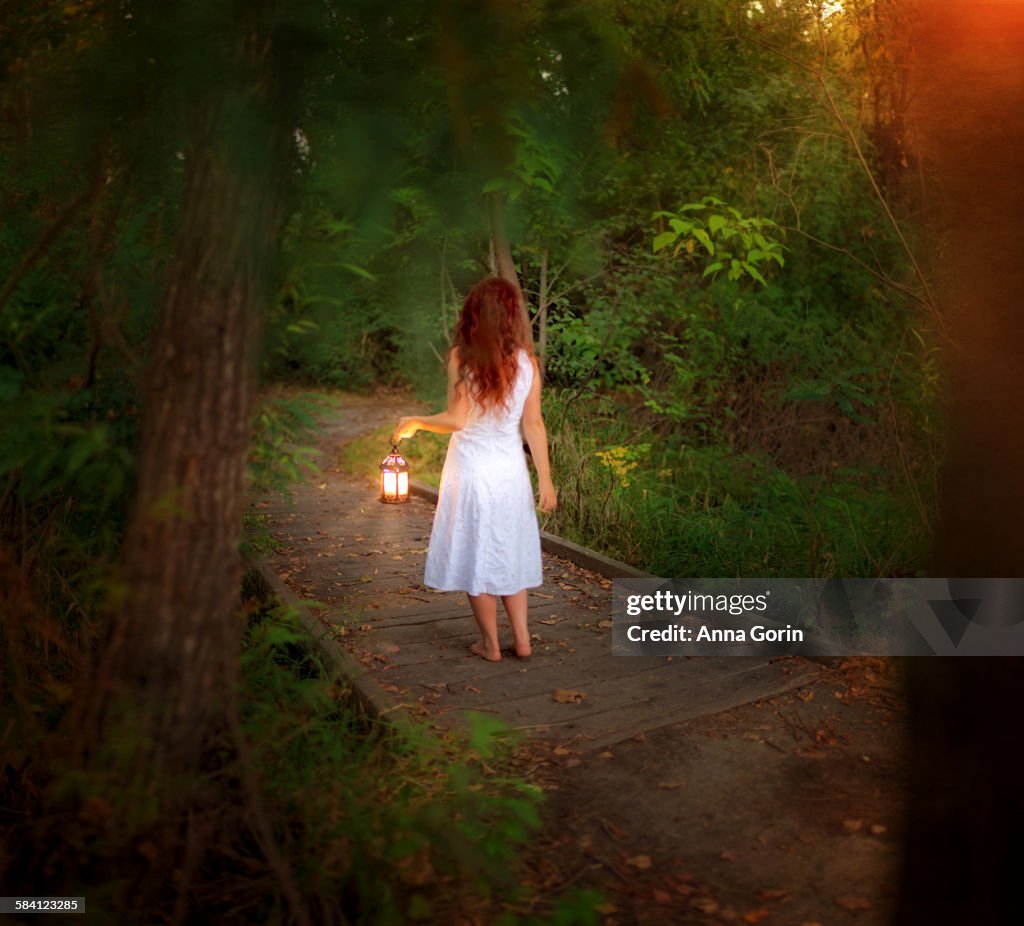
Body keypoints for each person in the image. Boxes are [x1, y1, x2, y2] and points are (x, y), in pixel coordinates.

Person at [392, 276, 557, 662]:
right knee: (508, 552)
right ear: (512, 317)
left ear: (473, 315)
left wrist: (415, 420)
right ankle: (522, 638)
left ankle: (490, 644)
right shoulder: (527, 363)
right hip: (510, 473)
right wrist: (545, 480)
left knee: (475, 553)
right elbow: (533, 425)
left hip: (470, 470)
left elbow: (456, 421)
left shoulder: (461, 357)